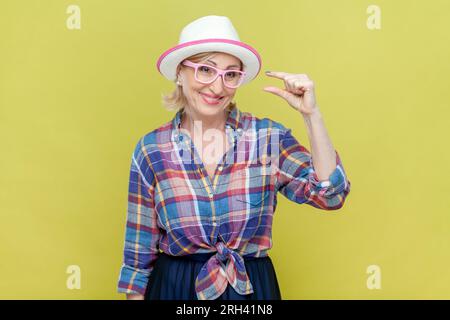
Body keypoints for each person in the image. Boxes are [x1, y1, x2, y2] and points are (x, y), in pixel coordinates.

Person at [117, 15, 351, 300]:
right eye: (205, 70)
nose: (218, 87)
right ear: (180, 73)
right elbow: (138, 257)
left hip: (251, 289)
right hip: (174, 288)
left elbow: (330, 196)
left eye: (230, 74)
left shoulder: (267, 138)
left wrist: (311, 115)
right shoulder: (152, 149)